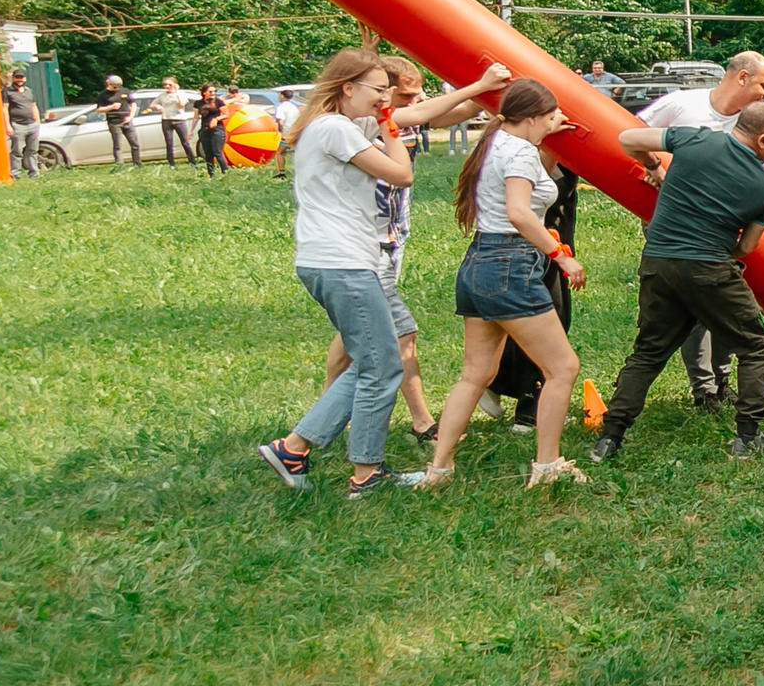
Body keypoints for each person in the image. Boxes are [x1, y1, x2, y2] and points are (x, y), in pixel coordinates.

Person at [254, 49, 423, 498]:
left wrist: (477, 90)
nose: (386, 98)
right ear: (347, 87)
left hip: (336, 260)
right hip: (341, 262)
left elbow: (425, 112)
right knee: (382, 366)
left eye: (389, 90)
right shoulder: (333, 128)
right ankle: (366, 474)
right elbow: (400, 174)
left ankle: (293, 449)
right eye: (378, 90)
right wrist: (390, 129)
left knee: (374, 361)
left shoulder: (336, 126)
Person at [322, 58, 510, 448]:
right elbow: (420, 111)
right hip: (364, 246)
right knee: (399, 333)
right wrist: (478, 85)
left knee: (352, 334)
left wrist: (487, 97)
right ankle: (422, 422)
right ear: (382, 91)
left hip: (390, 240)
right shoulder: (361, 124)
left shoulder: (398, 119)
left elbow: (445, 112)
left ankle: (327, 418)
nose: (417, 98)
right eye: (406, 93)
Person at [417, 78, 592, 488]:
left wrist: (548, 137)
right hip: (511, 264)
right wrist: (560, 256)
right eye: (549, 116)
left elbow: (533, 193)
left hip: (479, 262)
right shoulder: (518, 152)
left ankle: (439, 469)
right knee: (563, 367)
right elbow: (519, 211)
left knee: (474, 373)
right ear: (530, 118)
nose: (554, 121)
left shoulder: (498, 141)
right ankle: (547, 466)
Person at [591, 101, 764, 463]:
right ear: (762, 140)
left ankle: (610, 437)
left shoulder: (696, 140)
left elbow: (628, 137)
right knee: (754, 346)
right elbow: (746, 247)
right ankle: (748, 436)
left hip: (658, 263)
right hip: (709, 269)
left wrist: (654, 166)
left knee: (649, 351)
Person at [636, 50, 764, 411]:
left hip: (722, 232)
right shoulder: (683, 104)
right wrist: (653, 165)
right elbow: (631, 133)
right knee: (690, 307)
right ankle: (704, 387)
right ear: (742, 77)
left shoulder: (754, 123)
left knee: (719, 308)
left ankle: (722, 379)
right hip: (671, 225)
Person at [492, 164, 581, 432]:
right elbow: (523, 210)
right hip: (536, 249)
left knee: (540, 324)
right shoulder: (527, 154)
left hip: (546, 245)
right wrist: (560, 256)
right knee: (547, 327)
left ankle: (499, 381)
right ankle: (530, 410)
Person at [96, 74, 141, 168]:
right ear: (108, 84)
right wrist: (111, 107)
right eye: (114, 87)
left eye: (118, 86)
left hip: (127, 121)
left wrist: (130, 117)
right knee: (118, 145)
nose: (117, 88)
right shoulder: (103, 95)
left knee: (135, 144)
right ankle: (119, 165)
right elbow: (98, 110)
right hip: (114, 122)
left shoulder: (125, 91)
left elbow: (133, 105)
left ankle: (137, 164)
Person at [5, 69, 42, 176]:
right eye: (17, 77)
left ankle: (34, 173)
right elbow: (4, 109)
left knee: (32, 150)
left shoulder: (29, 91)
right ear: (13, 78)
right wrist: (8, 126)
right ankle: (15, 174)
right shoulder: (8, 92)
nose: (19, 79)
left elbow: (34, 106)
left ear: (25, 79)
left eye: (21, 77)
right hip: (17, 125)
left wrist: (38, 122)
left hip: (32, 124)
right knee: (17, 151)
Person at [152, 76, 196, 165]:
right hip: (166, 120)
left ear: (175, 85)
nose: (167, 86)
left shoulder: (181, 93)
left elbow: (182, 104)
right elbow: (152, 104)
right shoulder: (162, 95)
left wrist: (177, 91)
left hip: (179, 120)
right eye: (165, 84)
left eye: (170, 84)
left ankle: (192, 161)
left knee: (185, 142)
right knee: (169, 143)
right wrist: (157, 106)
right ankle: (171, 163)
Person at [194, 84, 227, 175]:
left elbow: (226, 114)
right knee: (208, 154)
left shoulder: (219, 102)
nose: (213, 93)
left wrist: (216, 119)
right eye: (210, 91)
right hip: (204, 130)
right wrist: (190, 131)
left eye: (214, 91)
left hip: (217, 130)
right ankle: (211, 174)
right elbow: (195, 117)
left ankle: (225, 173)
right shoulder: (198, 103)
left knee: (217, 152)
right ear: (204, 93)